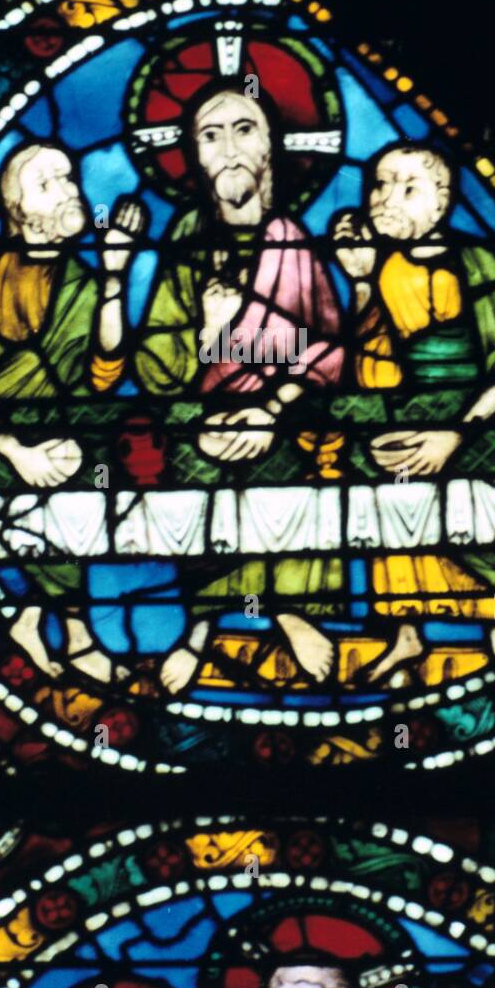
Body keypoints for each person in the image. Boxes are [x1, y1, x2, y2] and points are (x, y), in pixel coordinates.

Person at [135, 79, 345, 693]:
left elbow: (331, 349)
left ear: (270, 148)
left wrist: (272, 409)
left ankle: (291, 611)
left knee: (304, 467)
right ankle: (201, 627)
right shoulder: (183, 240)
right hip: (204, 417)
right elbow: (154, 363)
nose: (227, 147)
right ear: (194, 156)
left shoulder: (294, 241)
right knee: (196, 473)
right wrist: (209, 337)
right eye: (210, 134)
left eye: (244, 129)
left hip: (280, 418)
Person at [332, 144, 495, 684]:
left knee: (472, 491)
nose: (387, 199)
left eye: (407, 187)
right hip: (411, 410)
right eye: (380, 186)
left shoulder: (479, 261)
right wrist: (361, 281)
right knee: (379, 479)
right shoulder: (382, 268)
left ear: (442, 202)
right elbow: (369, 371)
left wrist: (454, 435)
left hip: (484, 413)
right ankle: (406, 634)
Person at [0, 142, 144, 682]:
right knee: (62, 487)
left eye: (69, 177)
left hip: (55, 428)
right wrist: (11, 446)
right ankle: (75, 637)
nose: (70, 190)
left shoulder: (82, 278)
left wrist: (116, 276)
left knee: (114, 458)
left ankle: (31, 619)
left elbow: (104, 376)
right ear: (18, 212)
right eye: (48, 183)